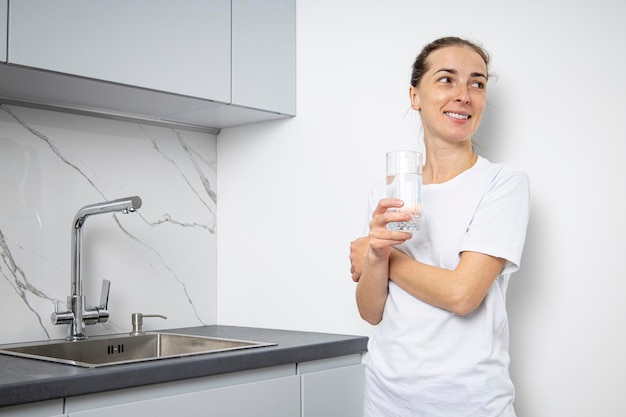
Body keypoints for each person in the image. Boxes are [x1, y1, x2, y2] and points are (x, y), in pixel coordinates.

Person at [349, 37, 530, 416]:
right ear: (415, 96)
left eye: (477, 83)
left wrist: (382, 257)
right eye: (447, 79)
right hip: (386, 398)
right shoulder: (385, 192)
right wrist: (377, 254)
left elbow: (463, 295)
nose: (464, 95)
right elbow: (371, 313)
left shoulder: (503, 182)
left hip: (469, 401)